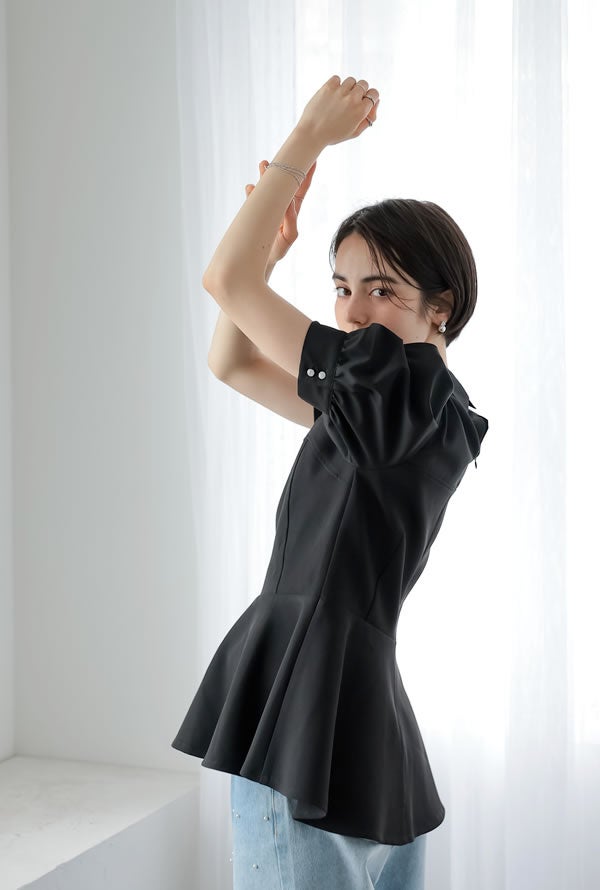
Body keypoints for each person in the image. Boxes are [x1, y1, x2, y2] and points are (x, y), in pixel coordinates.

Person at [171, 75, 489, 889]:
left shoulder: (382, 384)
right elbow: (234, 362)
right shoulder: (433, 412)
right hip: (368, 736)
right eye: (342, 287)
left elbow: (224, 280)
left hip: (303, 715)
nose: (352, 313)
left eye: (382, 289)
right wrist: (271, 255)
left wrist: (307, 138)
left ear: (440, 308)